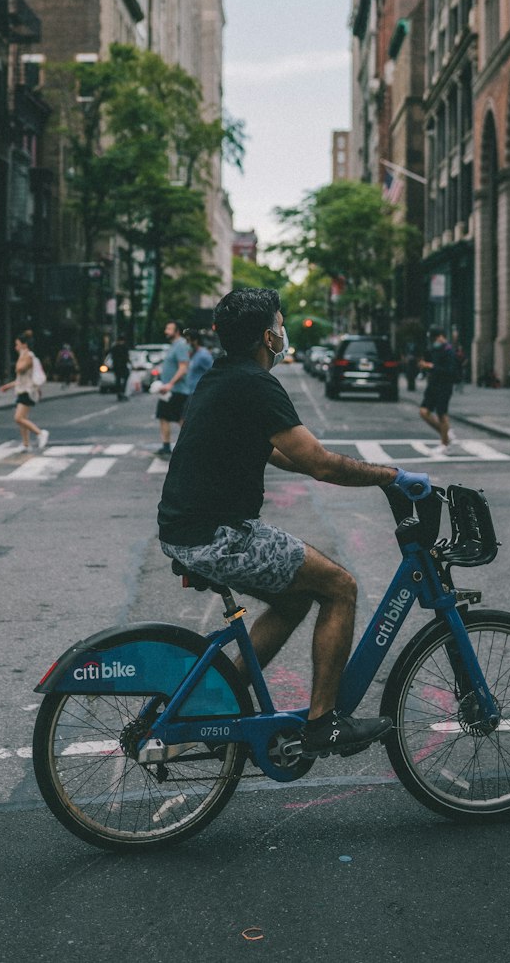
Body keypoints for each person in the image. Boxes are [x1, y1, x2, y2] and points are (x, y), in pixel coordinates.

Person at [158, 287, 429, 759]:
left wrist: (357, 473)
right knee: (339, 586)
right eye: (280, 324)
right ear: (268, 335)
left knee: (294, 600)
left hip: (191, 530)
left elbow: (284, 454)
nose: (283, 332)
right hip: (219, 535)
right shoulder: (255, 384)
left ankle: (221, 701)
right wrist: (393, 477)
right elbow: (321, 464)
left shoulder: (222, 379)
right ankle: (324, 724)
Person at [0, 331, 49, 453]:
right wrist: (8, 386)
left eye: (17, 344)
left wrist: (21, 357)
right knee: (23, 419)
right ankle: (26, 444)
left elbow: (19, 369)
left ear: (24, 345)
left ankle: (41, 433)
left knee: (18, 418)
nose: (16, 347)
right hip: (22, 390)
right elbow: (20, 379)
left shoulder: (28, 356)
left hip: (27, 391)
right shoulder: (23, 356)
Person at [154, 319, 192, 458]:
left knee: (175, 418)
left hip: (175, 390)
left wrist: (170, 384)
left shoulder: (180, 345)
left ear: (176, 331)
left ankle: (182, 445)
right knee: (169, 417)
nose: (166, 331)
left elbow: (183, 367)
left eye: (169, 329)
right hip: (171, 390)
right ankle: (168, 445)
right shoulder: (174, 345)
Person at [418, 327, 457, 457]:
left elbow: (450, 371)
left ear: (441, 336)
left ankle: (445, 445)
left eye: (435, 338)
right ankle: (445, 433)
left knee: (442, 414)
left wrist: (431, 366)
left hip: (444, 385)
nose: (434, 341)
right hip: (433, 384)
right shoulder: (434, 350)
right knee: (424, 411)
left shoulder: (449, 351)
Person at [109, 335, 131, 401]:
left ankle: (119, 392)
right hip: (123, 366)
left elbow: (112, 356)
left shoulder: (114, 348)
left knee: (118, 379)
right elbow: (127, 357)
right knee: (125, 377)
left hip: (116, 366)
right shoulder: (125, 347)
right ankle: (122, 391)